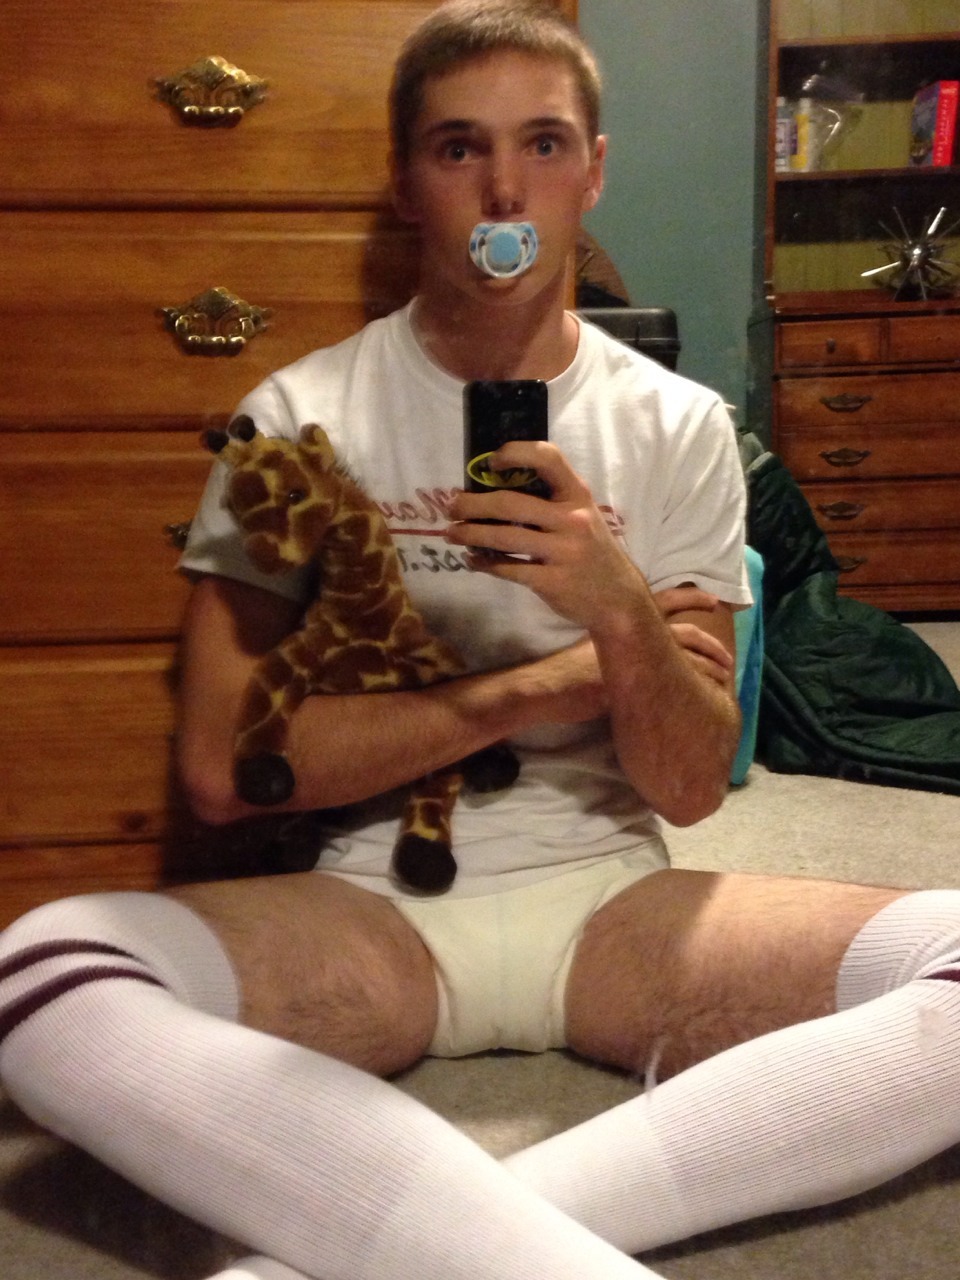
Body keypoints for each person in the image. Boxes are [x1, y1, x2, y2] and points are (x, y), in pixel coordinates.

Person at [2, 4, 960, 1279]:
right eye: (461, 147)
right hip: (371, 903)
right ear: (409, 183)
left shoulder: (679, 425)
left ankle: (405, 1245)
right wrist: (542, 684)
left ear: (593, 173)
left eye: (543, 144)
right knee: (39, 973)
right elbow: (225, 772)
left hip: (612, 900)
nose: (505, 189)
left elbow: (687, 787)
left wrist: (616, 604)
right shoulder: (296, 415)